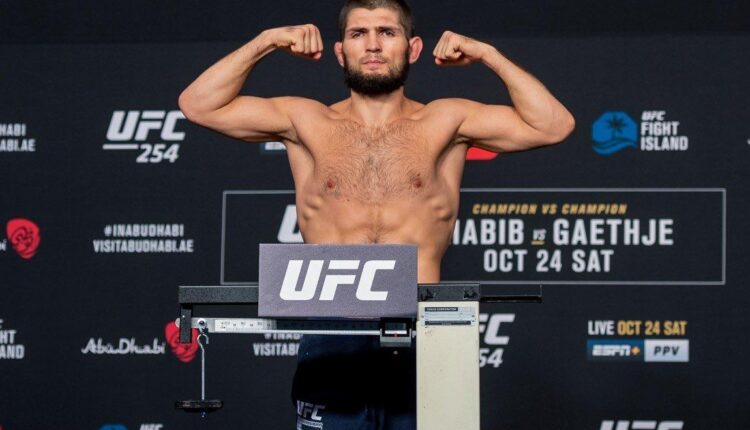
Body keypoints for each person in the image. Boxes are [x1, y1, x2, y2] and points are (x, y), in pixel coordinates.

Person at [179, 0, 574, 428]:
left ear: (413, 47)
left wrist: (487, 55)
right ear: (340, 51)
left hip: (426, 326)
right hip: (332, 329)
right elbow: (199, 104)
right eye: (358, 34)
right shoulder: (305, 120)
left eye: (387, 32)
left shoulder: (447, 120)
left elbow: (553, 125)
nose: (372, 45)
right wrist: (267, 41)